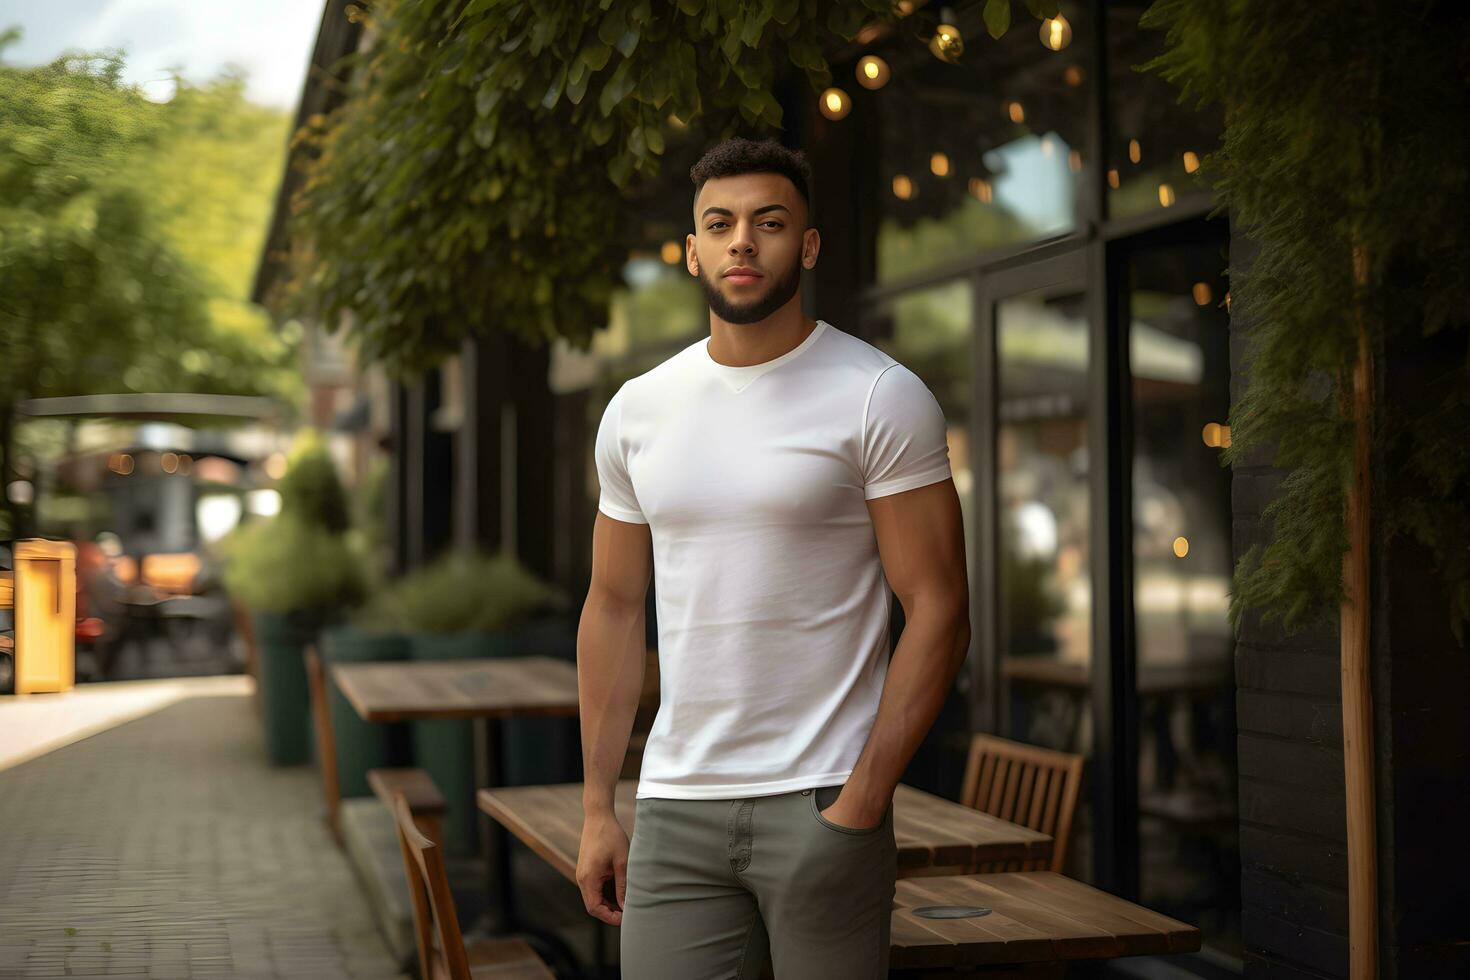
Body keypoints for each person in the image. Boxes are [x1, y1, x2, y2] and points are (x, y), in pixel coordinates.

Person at [575, 137, 971, 979]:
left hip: (823, 797)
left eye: (769, 222)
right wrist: (597, 809)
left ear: (810, 244)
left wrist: (862, 802)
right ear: (692, 253)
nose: (742, 242)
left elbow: (938, 606)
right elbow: (612, 606)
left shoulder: (879, 396)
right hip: (676, 806)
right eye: (718, 225)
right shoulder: (638, 411)